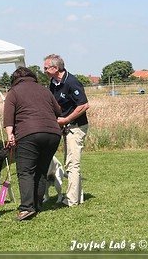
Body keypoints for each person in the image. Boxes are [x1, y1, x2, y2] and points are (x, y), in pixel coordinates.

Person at [3, 66, 62, 221]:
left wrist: (10, 135)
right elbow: (58, 111)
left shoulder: (14, 92)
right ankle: (36, 204)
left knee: (25, 171)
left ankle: (27, 208)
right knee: (41, 170)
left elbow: (8, 117)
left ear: (14, 79)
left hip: (29, 133)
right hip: (53, 134)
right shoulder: (44, 90)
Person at [44, 54, 90, 207]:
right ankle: (78, 196)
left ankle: (71, 200)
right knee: (70, 162)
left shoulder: (72, 82)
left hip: (76, 127)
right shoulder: (53, 83)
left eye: (46, 68)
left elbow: (83, 105)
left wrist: (66, 120)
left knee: (72, 164)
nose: (43, 71)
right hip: (66, 128)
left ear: (55, 68)